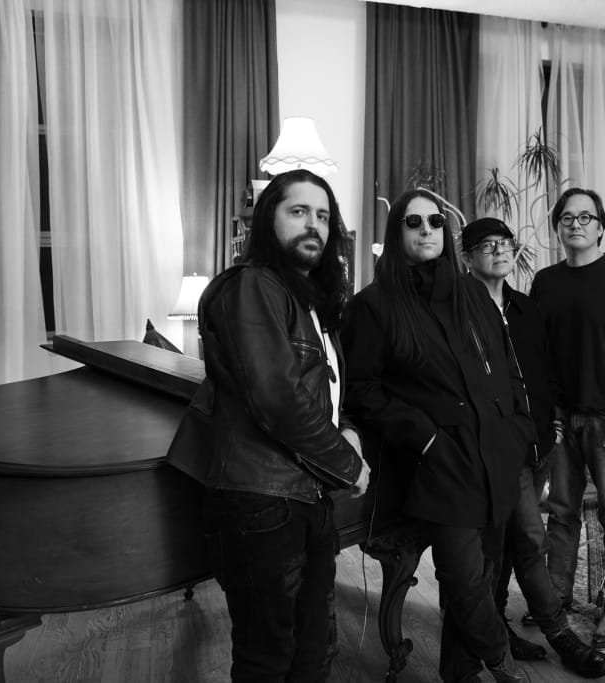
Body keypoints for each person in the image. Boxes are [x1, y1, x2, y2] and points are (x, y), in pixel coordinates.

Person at [166, 169, 371, 682]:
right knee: (268, 658)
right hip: (261, 500)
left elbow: (325, 390)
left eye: (323, 215)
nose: (313, 225)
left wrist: (348, 428)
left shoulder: (307, 299)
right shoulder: (252, 285)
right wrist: (348, 463)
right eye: (298, 211)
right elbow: (277, 398)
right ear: (267, 220)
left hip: (305, 496)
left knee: (314, 650)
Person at [341, 190, 536, 683]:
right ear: (397, 233)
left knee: (487, 573)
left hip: (497, 450)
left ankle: (459, 674)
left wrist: (518, 427)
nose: (426, 229)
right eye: (413, 222)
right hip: (440, 461)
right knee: (463, 579)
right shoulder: (373, 305)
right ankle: (504, 664)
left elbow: (508, 365)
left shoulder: (472, 292)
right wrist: (426, 438)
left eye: (434, 221)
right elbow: (362, 391)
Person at [459, 217, 605, 679]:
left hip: (538, 441)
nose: (499, 251)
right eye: (486, 245)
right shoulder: (458, 308)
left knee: (511, 545)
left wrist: (553, 424)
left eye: (504, 243)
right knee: (529, 538)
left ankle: (498, 627)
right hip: (492, 448)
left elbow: (544, 373)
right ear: (467, 257)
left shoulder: (526, 308)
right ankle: (560, 634)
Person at [529, 188, 605, 648]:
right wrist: (545, 413)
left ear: (601, 226)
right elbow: (539, 352)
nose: (576, 224)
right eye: (567, 217)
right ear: (557, 227)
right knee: (562, 513)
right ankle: (555, 598)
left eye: (586, 217)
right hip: (561, 418)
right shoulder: (545, 281)